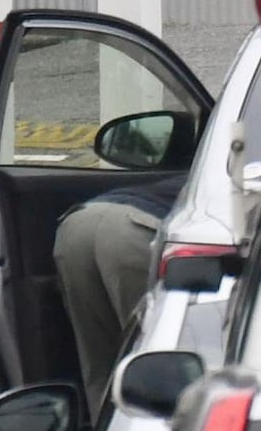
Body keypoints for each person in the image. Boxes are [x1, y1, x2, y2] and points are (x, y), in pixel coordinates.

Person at [56, 177, 180, 413]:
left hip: (79, 222)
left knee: (97, 358)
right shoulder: (239, 176)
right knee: (150, 352)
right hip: (132, 228)